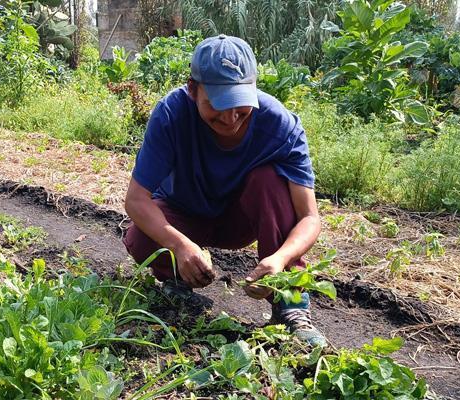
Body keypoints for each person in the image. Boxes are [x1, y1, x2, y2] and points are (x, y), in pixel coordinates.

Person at [122, 34, 326, 347]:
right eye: (218, 104)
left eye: (239, 104)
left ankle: (290, 305)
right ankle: (178, 279)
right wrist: (178, 245)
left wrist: (281, 259)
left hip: (239, 222)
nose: (230, 118)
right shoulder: (171, 115)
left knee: (270, 179)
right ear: (193, 90)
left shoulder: (279, 125)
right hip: (185, 215)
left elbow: (310, 217)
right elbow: (136, 200)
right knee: (140, 238)